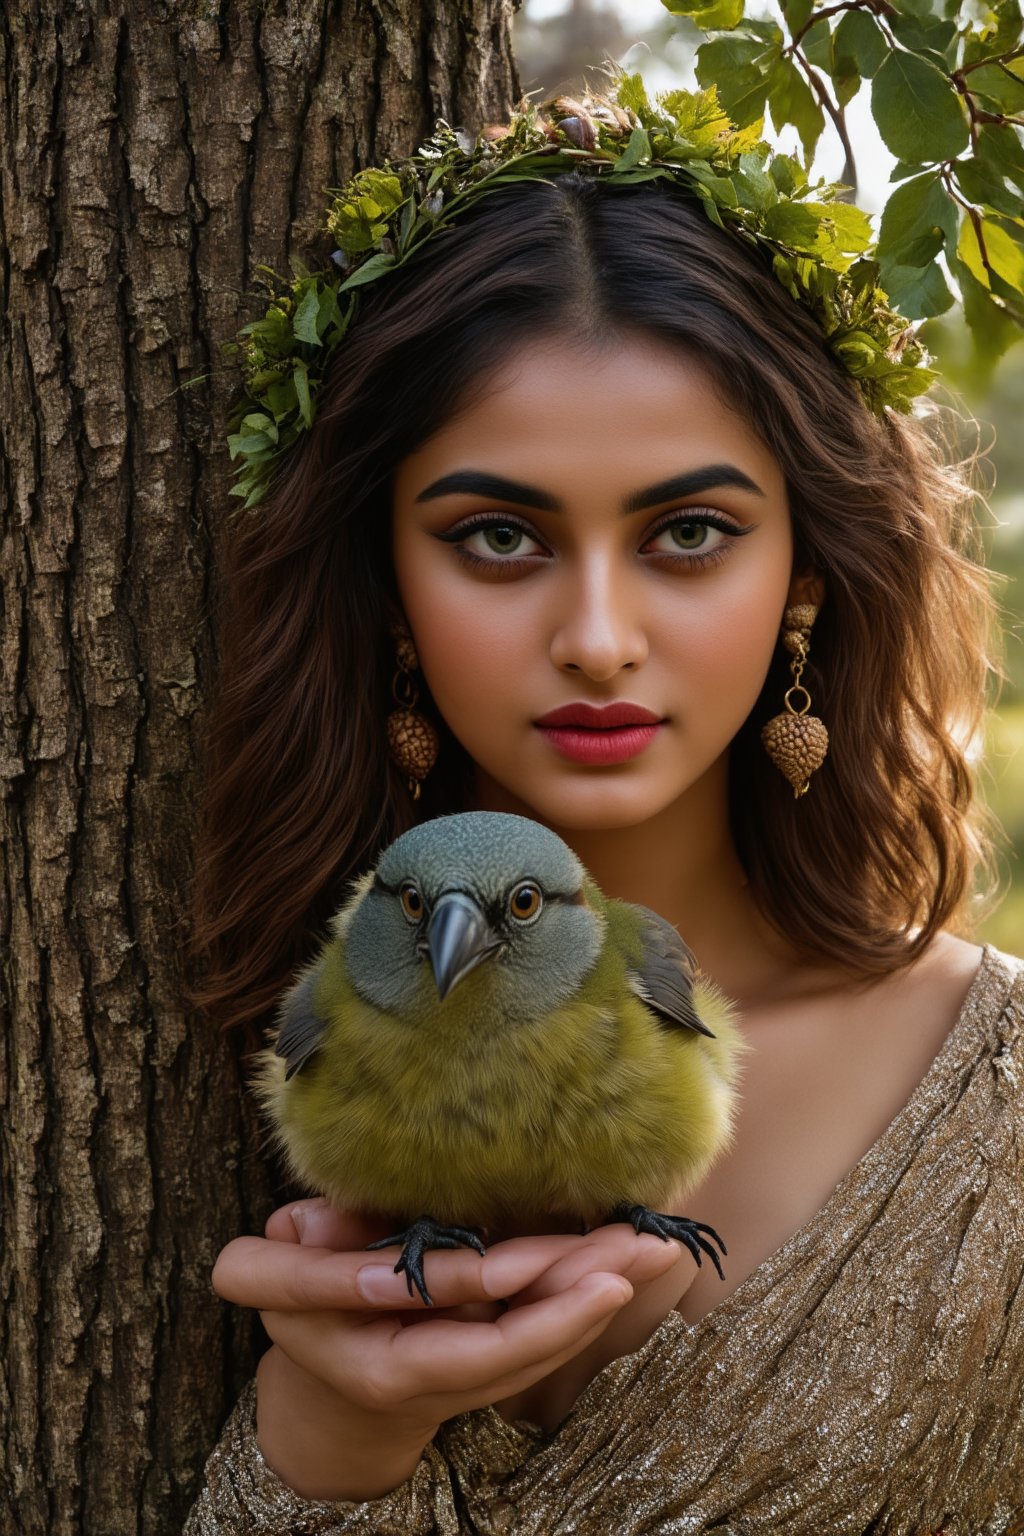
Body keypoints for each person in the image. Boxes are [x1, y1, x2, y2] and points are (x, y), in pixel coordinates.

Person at [182, 90, 1024, 1533]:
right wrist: (323, 1439)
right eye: (497, 537)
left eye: (686, 534)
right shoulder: (225, 1060)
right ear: (387, 586)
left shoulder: (996, 1115)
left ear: (806, 578)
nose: (596, 635)